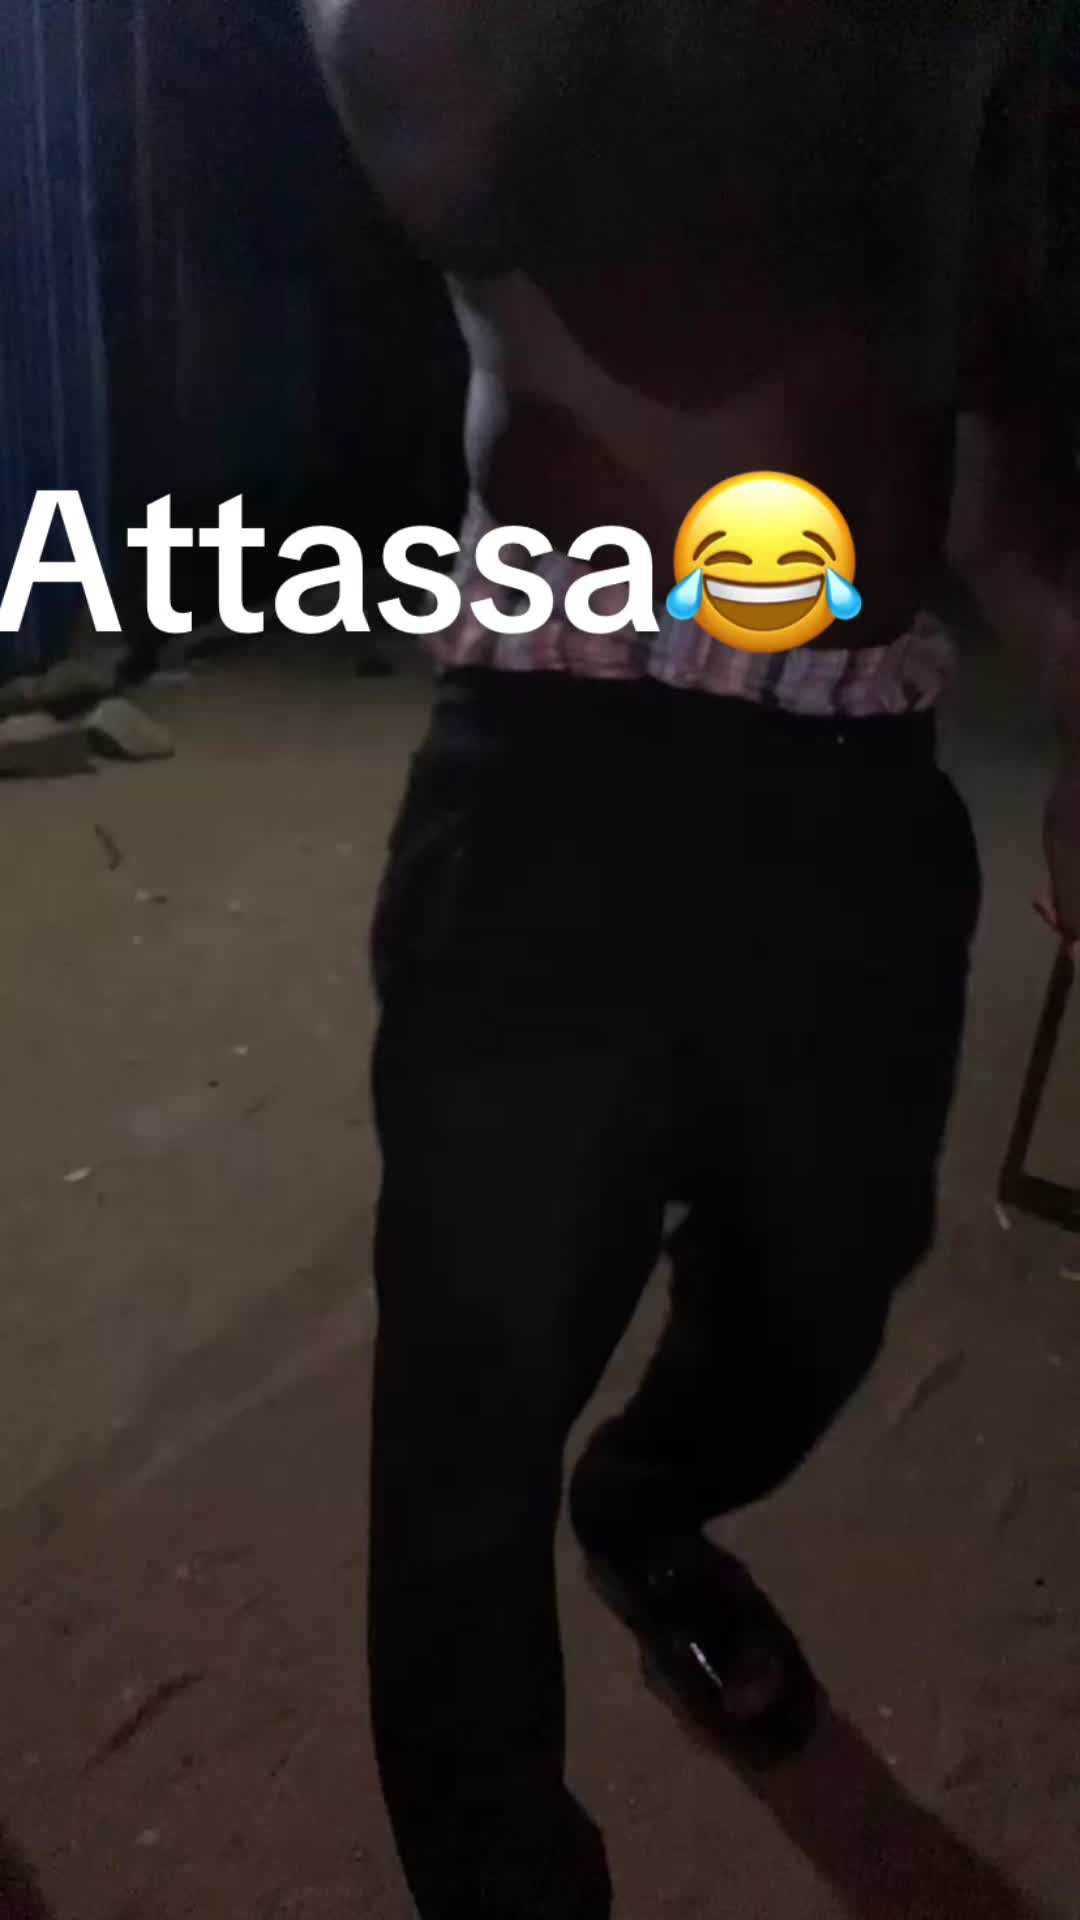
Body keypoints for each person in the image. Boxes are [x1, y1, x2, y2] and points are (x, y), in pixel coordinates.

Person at [302, 3, 1080, 1914]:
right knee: (470, 1419)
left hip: (858, 783)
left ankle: (647, 1501)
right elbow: (429, 138)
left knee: (830, 1283)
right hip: (562, 778)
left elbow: (990, 433)